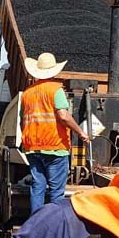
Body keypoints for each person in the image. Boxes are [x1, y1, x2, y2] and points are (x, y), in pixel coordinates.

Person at [19, 52, 90, 214]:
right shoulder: (56, 90)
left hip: (33, 148)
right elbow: (63, 116)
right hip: (54, 148)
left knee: (38, 187)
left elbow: (22, 120)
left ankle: (36, 223)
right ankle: (54, 226)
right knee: (56, 192)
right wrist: (80, 132)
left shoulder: (27, 93)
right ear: (54, 71)